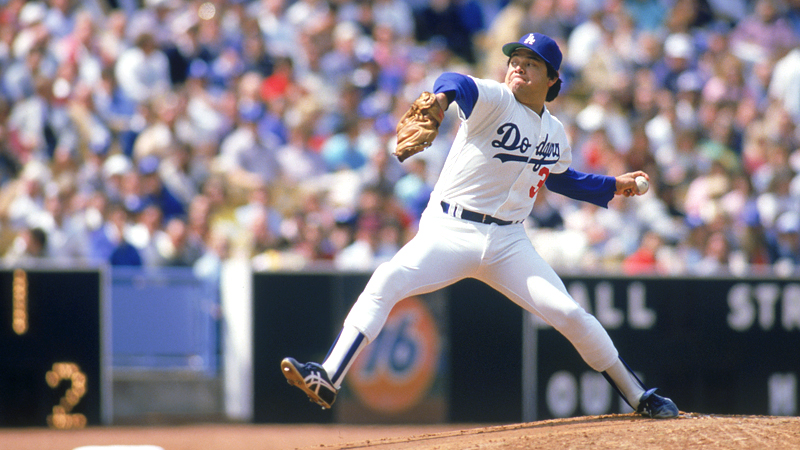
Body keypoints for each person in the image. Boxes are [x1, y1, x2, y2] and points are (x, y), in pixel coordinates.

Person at [281, 33, 679, 419]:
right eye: (514, 61)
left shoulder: (555, 132)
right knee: (388, 279)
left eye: (531, 63)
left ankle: (638, 395)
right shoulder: (495, 98)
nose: (518, 68)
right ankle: (329, 375)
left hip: (509, 241)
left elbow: (558, 177)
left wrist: (613, 186)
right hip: (450, 230)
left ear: (553, 78)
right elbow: (455, 82)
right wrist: (439, 99)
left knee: (571, 314)